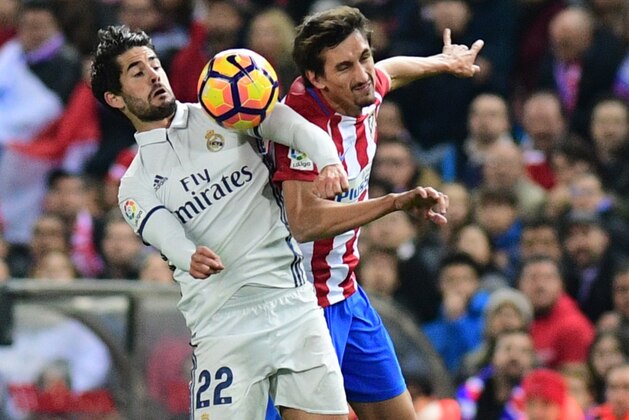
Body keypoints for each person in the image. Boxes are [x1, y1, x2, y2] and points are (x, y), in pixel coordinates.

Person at [90, 25, 357, 419]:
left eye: (154, 64)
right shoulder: (135, 183)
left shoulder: (225, 109)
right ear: (115, 98)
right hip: (222, 327)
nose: (153, 76)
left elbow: (297, 129)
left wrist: (330, 161)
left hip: (291, 305)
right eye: (137, 72)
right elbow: (164, 232)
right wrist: (188, 254)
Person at [271, 6, 482, 419]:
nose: (363, 73)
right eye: (345, 66)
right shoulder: (299, 124)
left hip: (346, 293)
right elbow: (304, 221)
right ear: (316, 79)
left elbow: (392, 71)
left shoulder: (360, 90)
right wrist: (395, 203)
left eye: (363, 56)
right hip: (301, 306)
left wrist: (441, 63)